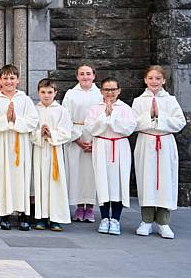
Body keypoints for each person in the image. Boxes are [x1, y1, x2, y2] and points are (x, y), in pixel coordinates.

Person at [132, 66, 186, 239]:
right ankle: (146, 220)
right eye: (150, 78)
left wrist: (159, 116)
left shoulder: (170, 100)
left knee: (165, 181)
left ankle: (163, 221)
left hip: (164, 142)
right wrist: (149, 117)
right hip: (146, 142)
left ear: (163, 80)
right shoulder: (139, 101)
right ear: (145, 80)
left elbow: (180, 122)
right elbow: (132, 123)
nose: (154, 82)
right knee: (146, 179)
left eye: (157, 78)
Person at [0, 64, 39, 231]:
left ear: (18, 80)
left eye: (12, 78)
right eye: (5, 78)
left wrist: (15, 121)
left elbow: (33, 121)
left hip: (21, 143)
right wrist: (6, 120)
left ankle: (23, 214)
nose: (9, 81)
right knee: (4, 177)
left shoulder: (25, 100)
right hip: (2, 144)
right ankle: (4, 214)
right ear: (0, 81)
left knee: (21, 177)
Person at [84, 77, 136, 236]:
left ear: (119, 91)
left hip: (119, 147)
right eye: (106, 89)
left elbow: (129, 129)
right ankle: (105, 217)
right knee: (103, 181)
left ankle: (116, 219)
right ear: (101, 91)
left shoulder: (125, 108)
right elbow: (91, 128)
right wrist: (104, 116)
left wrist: (112, 117)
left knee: (118, 182)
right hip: (102, 146)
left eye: (113, 89)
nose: (110, 93)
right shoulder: (94, 108)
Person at [31, 79, 72, 231]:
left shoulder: (62, 110)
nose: (46, 95)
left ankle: (56, 218)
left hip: (54, 151)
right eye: (43, 92)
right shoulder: (34, 110)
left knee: (55, 184)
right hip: (39, 150)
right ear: (38, 92)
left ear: (55, 93)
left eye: (49, 92)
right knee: (40, 183)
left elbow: (66, 132)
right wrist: (39, 133)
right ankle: (41, 217)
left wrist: (52, 134)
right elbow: (30, 131)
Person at [63, 64, 101, 223]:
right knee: (77, 172)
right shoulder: (71, 94)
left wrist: (94, 139)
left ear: (94, 76)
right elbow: (65, 117)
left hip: (94, 136)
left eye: (88, 74)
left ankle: (90, 207)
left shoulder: (100, 94)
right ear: (77, 76)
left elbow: (103, 115)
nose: (85, 77)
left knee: (92, 173)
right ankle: (79, 206)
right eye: (82, 74)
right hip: (76, 135)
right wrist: (77, 139)